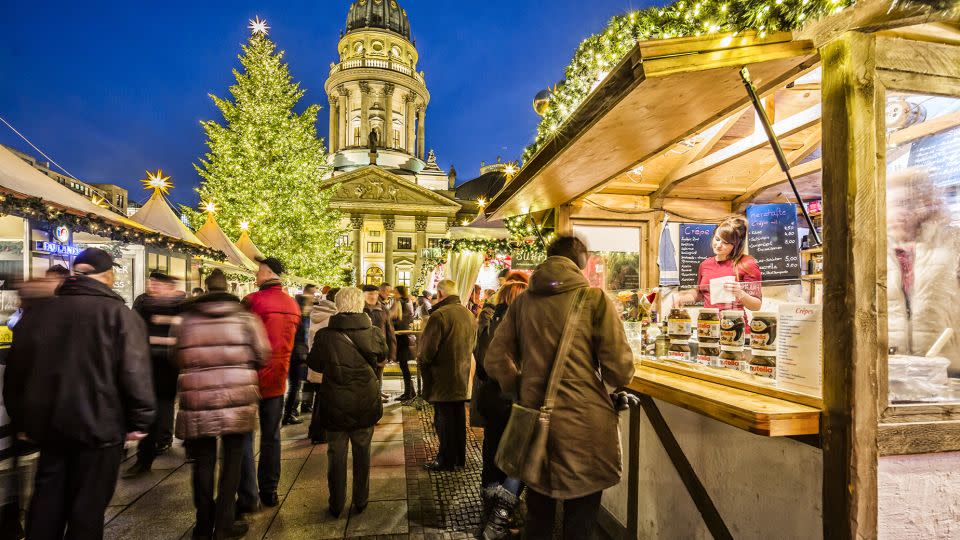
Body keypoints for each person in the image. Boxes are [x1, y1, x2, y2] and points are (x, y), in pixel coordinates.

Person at [484, 236, 636, 540]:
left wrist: (519, 387)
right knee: (581, 514)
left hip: (536, 422)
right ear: (581, 261)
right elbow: (620, 369)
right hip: (584, 427)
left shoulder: (524, 301)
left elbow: (495, 358)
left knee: (539, 510)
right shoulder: (594, 299)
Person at [3, 248, 155, 539]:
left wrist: (22, 420)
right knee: (87, 507)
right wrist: (141, 421)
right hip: (102, 427)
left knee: (47, 500)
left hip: (50, 427)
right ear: (108, 276)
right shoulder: (119, 315)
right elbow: (135, 373)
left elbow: (16, 372)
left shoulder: (39, 312)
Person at [173, 269, 271, 540]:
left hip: (198, 399)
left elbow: (175, 356)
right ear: (227, 287)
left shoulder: (186, 319)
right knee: (233, 461)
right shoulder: (245, 318)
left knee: (202, 462)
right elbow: (263, 355)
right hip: (237, 398)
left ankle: (203, 523)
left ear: (205, 288)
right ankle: (225, 522)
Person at [307, 288, 387, 518]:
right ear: (360, 304)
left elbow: (316, 364)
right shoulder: (372, 332)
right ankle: (361, 499)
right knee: (363, 453)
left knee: (336, 455)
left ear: (338, 305)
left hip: (335, 401)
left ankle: (336, 502)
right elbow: (382, 355)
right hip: (365, 399)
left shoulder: (325, 335)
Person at [238, 256, 300, 510]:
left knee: (244, 438)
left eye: (258, 271)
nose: (255, 276)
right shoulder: (292, 305)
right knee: (271, 436)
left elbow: (241, 338)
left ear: (267, 272)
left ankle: (248, 493)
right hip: (277, 378)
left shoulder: (252, 301)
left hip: (250, 377)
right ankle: (270, 489)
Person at [887, 168, 960, 375]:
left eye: (905, 204)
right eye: (891, 204)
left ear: (924, 205)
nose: (897, 212)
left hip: (948, 368)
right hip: (892, 370)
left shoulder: (953, 244)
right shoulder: (873, 253)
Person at [473, 273, 529, 540]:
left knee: (492, 447)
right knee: (519, 456)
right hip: (512, 399)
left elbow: (480, 356)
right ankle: (499, 517)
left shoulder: (489, 319)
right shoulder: (520, 323)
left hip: (490, 397)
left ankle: (490, 499)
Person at [124, 270, 186, 479]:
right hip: (146, 365)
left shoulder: (180, 306)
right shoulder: (143, 304)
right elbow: (133, 331)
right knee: (152, 409)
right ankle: (145, 456)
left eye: (158, 284)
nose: (153, 288)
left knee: (164, 405)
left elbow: (183, 336)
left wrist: (160, 340)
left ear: (169, 287)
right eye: (152, 284)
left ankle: (161, 441)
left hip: (168, 367)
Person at [418, 279, 476, 471]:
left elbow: (427, 352)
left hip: (442, 376)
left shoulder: (440, 315)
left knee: (443, 420)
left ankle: (445, 460)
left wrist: (424, 364)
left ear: (441, 294)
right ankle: (458, 457)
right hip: (461, 373)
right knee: (458, 419)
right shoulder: (468, 313)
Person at [673, 215, 762, 311]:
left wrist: (740, 293)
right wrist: (683, 298)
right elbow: (700, 293)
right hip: (708, 322)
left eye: (726, 243)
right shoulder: (705, 264)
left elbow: (756, 306)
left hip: (735, 323)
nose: (718, 245)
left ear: (736, 244)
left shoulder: (747, 264)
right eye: (717, 239)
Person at [306, 288, 339, 444]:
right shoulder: (332, 318)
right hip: (326, 364)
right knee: (324, 401)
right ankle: (320, 433)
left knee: (319, 398)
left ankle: (314, 430)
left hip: (316, 363)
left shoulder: (318, 313)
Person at [283, 284, 317, 426]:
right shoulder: (299, 315)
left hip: (298, 352)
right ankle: (289, 413)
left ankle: (300, 407)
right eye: (312, 295)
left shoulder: (301, 314)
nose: (314, 299)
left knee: (301, 383)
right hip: (298, 354)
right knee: (295, 384)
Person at [362, 284, 396, 402]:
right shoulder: (359, 309)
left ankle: (377, 394)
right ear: (363, 295)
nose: (373, 296)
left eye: (375, 294)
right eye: (370, 294)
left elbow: (390, 331)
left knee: (379, 373)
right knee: (367, 375)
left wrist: (392, 352)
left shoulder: (383, 310)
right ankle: (370, 396)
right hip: (363, 348)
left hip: (380, 348)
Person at [391, 286, 416, 401]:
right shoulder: (409, 302)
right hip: (407, 336)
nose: (393, 293)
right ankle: (411, 391)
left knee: (404, 366)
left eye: (395, 292)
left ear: (399, 293)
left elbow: (392, 316)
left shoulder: (399, 302)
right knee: (404, 365)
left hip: (401, 337)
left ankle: (408, 393)